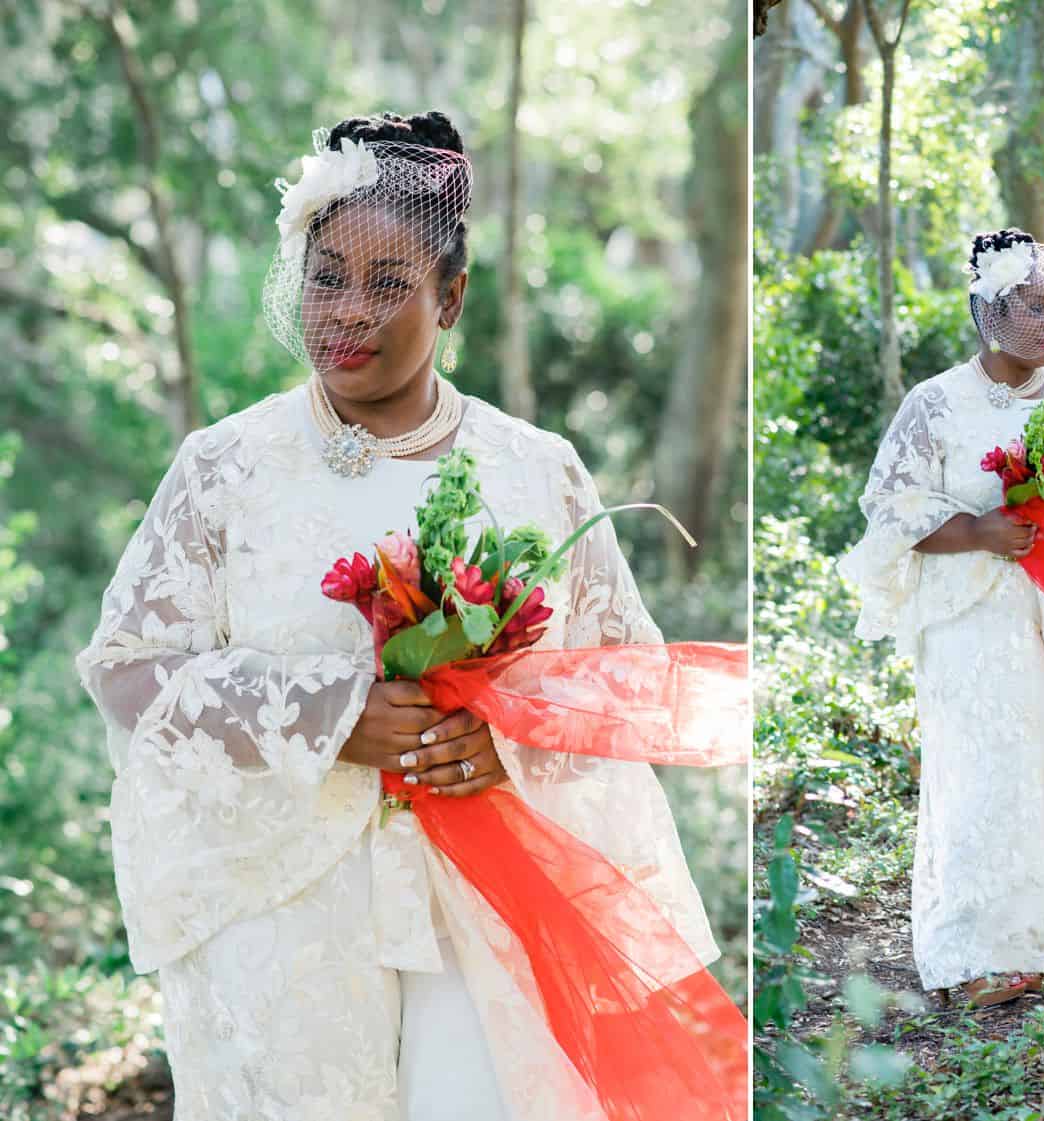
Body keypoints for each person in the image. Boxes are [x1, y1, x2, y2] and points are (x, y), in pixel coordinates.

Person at [76, 111, 721, 1120]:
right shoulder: (225, 467)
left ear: (452, 295)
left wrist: (508, 741)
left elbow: (624, 676)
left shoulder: (533, 468)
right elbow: (126, 666)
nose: (347, 310)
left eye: (389, 283)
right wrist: (332, 716)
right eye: (328, 273)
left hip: (485, 903)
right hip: (283, 913)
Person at [839, 228, 1044, 1005]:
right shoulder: (937, 403)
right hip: (972, 625)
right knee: (983, 774)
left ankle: (1032, 936)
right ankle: (972, 953)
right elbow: (890, 508)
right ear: (988, 310)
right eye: (1030, 306)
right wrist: (980, 530)